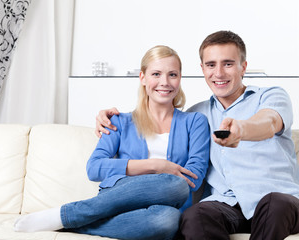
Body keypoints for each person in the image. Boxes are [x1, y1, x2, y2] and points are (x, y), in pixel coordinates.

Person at [95, 31, 299, 240]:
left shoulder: (271, 96)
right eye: (211, 65)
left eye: (228, 63)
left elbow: (269, 121)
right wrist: (110, 117)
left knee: (274, 204)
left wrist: (241, 130)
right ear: (202, 69)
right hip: (226, 204)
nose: (219, 73)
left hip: (278, 203)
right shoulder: (196, 116)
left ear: (243, 67)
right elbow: (161, 126)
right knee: (195, 216)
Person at [13, 45, 210, 240]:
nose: (164, 82)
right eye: (156, 74)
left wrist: (162, 175)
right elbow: (94, 168)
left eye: (172, 75)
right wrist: (156, 165)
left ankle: (70, 221)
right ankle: (71, 214)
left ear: (180, 78)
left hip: (168, 204)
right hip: (120, 197)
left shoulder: (195, 122)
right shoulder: (118, 121)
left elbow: (194, 177)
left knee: (170, 214)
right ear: (143, 78)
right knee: (176, 184)